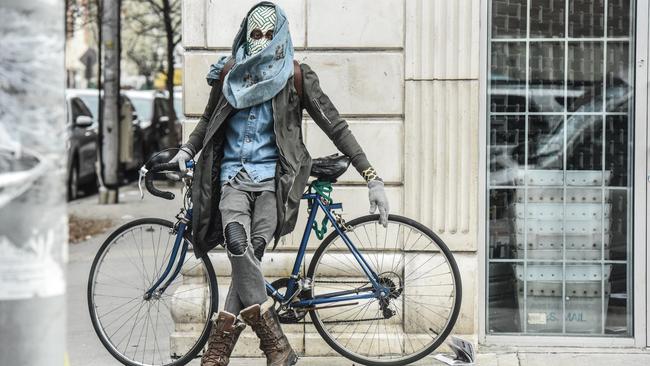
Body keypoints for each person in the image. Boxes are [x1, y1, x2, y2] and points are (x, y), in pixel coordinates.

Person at [168, 2, 390, 365]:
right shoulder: (229, 75)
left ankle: (219, 351)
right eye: (256, 34)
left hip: (275, 184)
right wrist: (186, 150)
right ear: (244, 35)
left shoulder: (296, 77)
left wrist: (372, 177)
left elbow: (336, 126)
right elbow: (208, 120)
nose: (264, 41)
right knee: (239, 246)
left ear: (282, 35)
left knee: (251, 250)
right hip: (233, 181)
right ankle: (276, 345)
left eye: (271, 34)